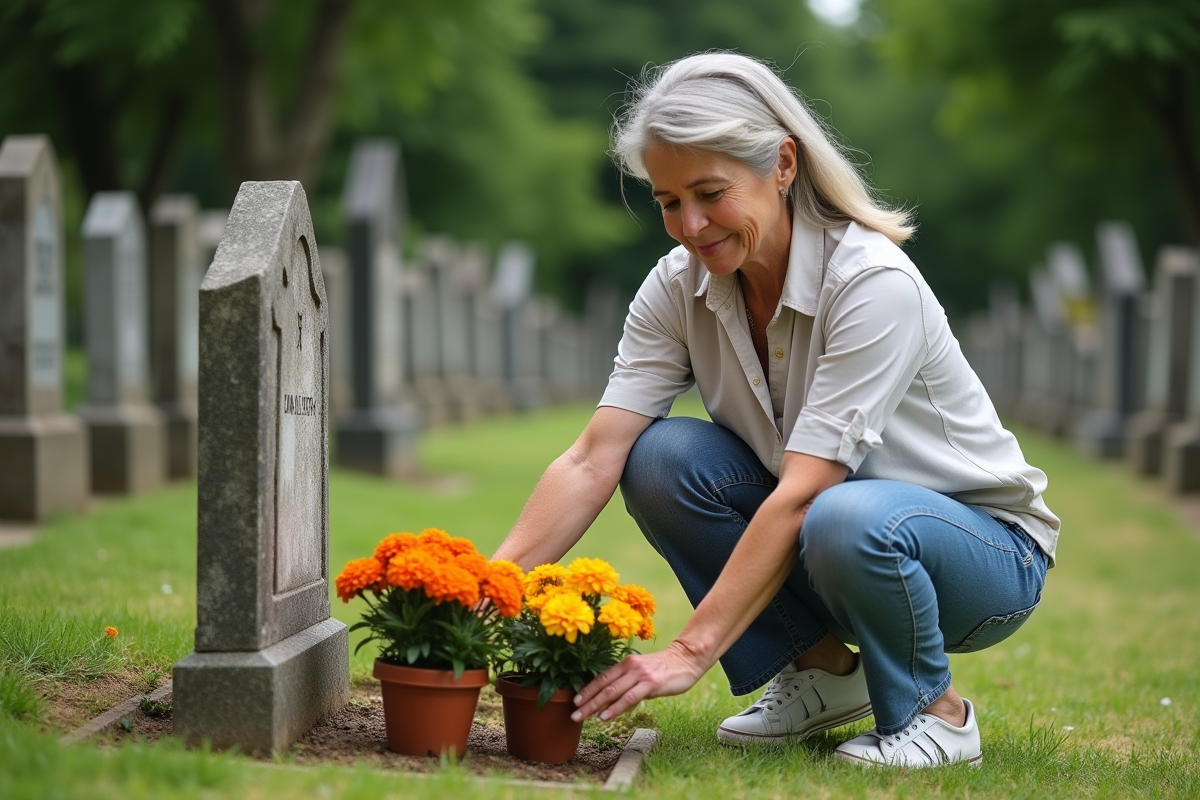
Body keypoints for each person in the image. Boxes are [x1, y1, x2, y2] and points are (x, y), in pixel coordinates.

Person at [492, 52, 1059, 768]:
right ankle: (822, 671)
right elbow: (591, 456)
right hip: (832, 533)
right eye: (669, 202)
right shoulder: (677, 287)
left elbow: (804, 496)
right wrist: (488, 585)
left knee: (841, 515)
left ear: (783, 165)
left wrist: (691, 651)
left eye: (710, 192)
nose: (690, 225)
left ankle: (936, 714)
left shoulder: (871, 283)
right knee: (660, 458)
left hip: (985, 557)